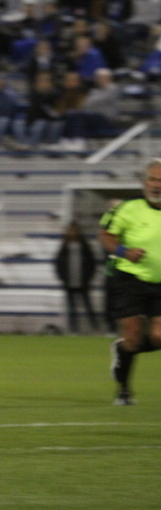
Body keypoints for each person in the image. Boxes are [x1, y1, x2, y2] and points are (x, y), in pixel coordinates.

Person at [99, 159, 161, 406]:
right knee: (134, 336)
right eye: (153, 179)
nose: (157, 185)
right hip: (129, 279)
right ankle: (124, 389)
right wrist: (124, 252)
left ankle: (122, 349)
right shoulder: (128, 208)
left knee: (159, 337)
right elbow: (105, 235)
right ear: (144, 182)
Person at [55, 220, 98, 333]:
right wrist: (64, 279)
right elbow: (58, 265)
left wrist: (88, 278)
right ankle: (74, 329)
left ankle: (95, 328)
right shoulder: (64, 248)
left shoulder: (84, 247)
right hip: (69, 283)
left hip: (83, 282)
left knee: (88, 307)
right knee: (72, 308)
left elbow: (92, 264)